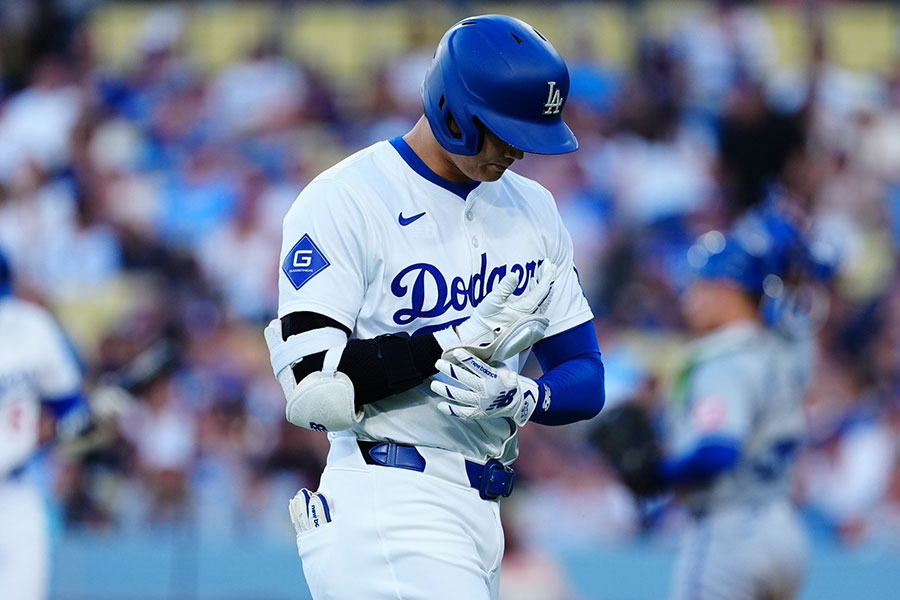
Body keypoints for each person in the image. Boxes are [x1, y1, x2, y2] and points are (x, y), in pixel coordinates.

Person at [263, 15, 605, 600]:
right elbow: (314, 390)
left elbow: (586, 374)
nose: (518, 150)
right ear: (453, 109)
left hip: (483, 507)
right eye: (503, 131)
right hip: (387, 494)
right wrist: (451, 341)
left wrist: (527, 397)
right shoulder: (346, 197)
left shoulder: (534, 208)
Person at [662, 217, 817, 600]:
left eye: (697, 286)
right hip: (784, 526)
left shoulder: (724, 358)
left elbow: (719, 451)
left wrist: (659, 474)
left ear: (726, 288)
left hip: (729, 532)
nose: (688, 299)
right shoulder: (780, 348)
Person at [0, 249, 88, 600]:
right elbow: (72, 413)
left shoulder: (31, 326)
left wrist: (74, 427)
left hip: (17, 489)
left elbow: (70, 410)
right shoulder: (31, 324)